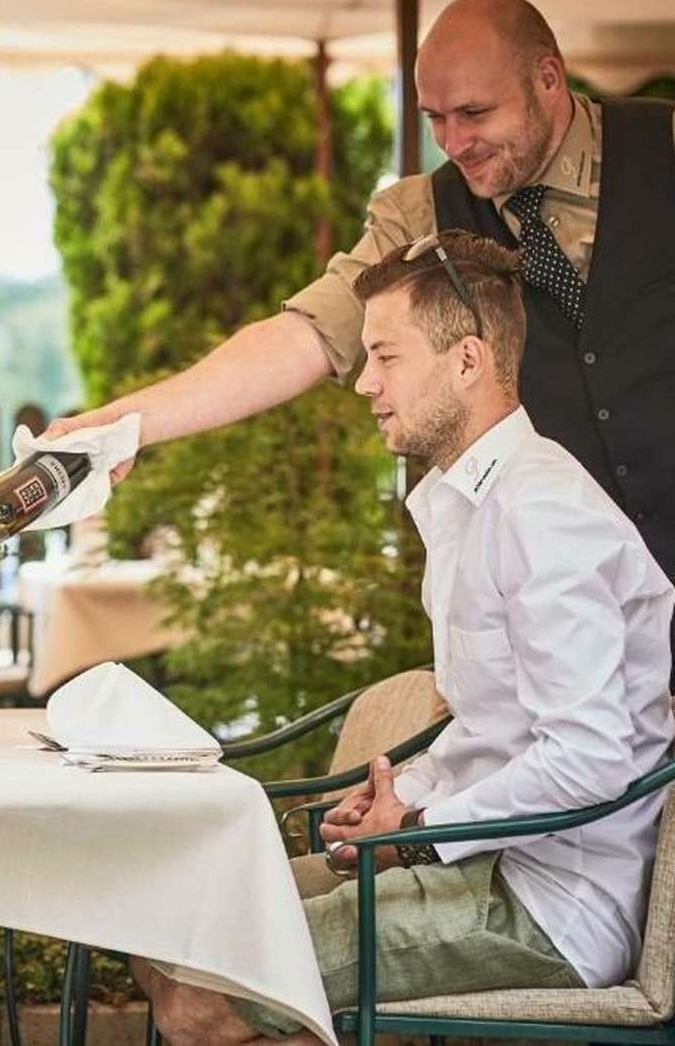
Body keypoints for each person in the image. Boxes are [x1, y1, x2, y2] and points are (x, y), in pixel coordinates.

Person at [131, 232, 674, 1043]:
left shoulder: (545, 515)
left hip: (545, 904)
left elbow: (591, 761)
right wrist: (409, 796)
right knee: (167, 927)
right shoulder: (465, 506)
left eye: (384, 356)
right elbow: (498, 732)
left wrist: (418, 836)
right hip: (482, 860)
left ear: (466, 361)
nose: (363, 383)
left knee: (205, 991)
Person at [47, 0, 675, 597]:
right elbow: (305, 335)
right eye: (436, 119)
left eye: (475, 114)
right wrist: (122, 424)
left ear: (548, 78)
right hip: (555, 592)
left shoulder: (663, 150)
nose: (454, 144)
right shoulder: (422, 213)